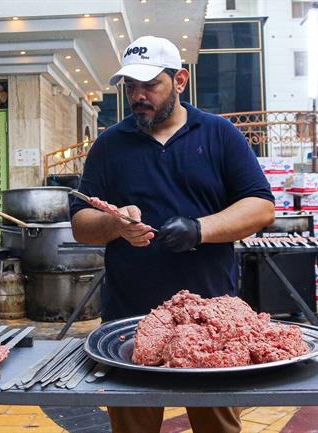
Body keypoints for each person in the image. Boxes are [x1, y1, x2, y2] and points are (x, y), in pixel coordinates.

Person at [70, 36, 275, 433]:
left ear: (180, 81)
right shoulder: (110, 144)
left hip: (211, 324)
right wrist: (115, 224)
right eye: (131, 86)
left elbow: (261, 207)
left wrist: (200, 229)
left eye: (150, 85)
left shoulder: (218, 134)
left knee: (218, 428)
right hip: (129, 321)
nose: (138, 96)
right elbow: (81, 223)